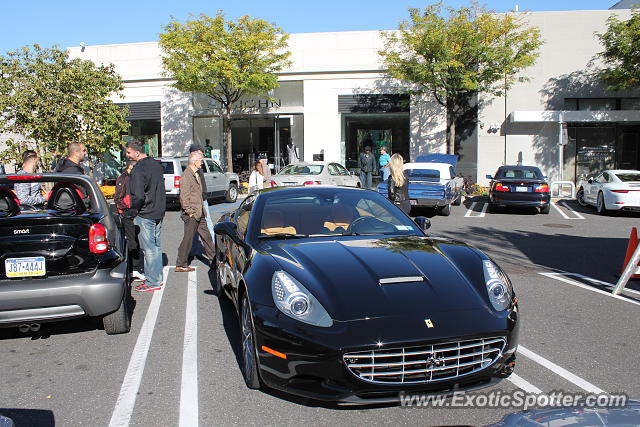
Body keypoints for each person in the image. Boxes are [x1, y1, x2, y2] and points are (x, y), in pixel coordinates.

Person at [126, 140, 166, 292]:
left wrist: (133, 212)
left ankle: (152, 282)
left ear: (137, 152)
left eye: (129, 152)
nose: (127, 155)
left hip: (146, 213)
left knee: (148, 249)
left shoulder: (138, 169)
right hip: (158, 211)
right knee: (155, 247)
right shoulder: (156, 165)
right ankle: (156, 278)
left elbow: (139, 196)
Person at [175, 152, 215, 272]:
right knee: (188, 239)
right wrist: (189, 211)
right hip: (192, 213)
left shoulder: (195, 173)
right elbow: (184, 196)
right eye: (201, 161)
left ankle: (214, 261)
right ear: (194, 162)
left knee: (207, 237)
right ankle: (181, 264)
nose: (202, 163)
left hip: (199, 212)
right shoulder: (187, 175)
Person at [114, 159, 144, 281]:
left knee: (136, 240)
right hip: (127, 214)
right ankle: (133, 269)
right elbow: (118, 198)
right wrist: (127, 210)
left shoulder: (133, 178)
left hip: (134, 212)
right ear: (131, 167)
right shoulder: (123, 178)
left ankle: (135, 267)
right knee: (131, 241)